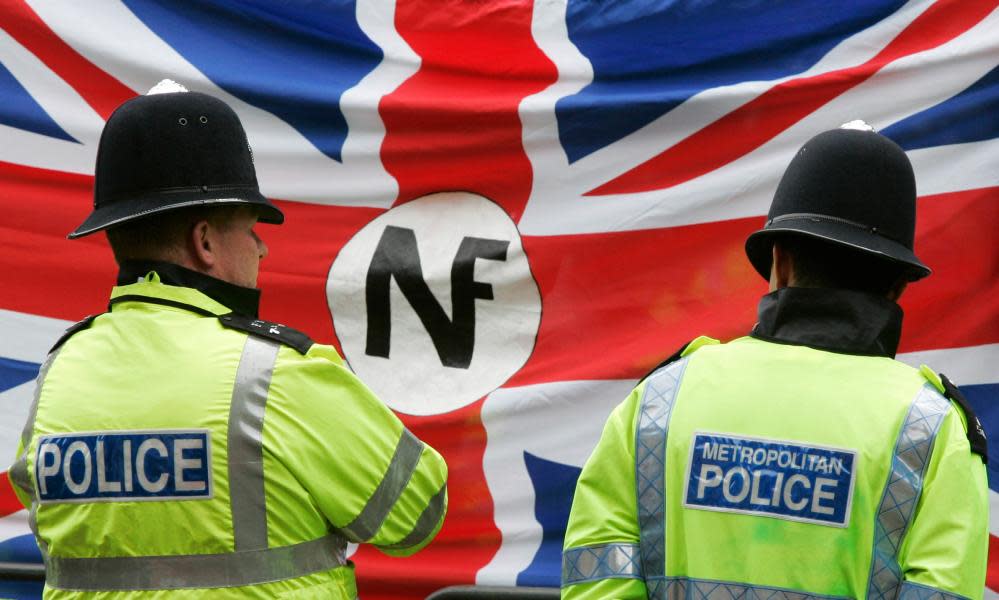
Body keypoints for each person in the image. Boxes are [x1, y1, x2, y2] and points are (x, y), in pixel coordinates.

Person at [8, 81, 448, 598]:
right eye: (250, 228)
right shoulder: (273, 373)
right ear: (206, 241)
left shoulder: (60, 371)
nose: (262, 249)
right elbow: (416, 513)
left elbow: (43, 512)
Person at [561, 123, 988, 599]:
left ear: (779, 262)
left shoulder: (659, 403)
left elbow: (596, 582)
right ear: (898, 287)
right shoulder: (932, 432)